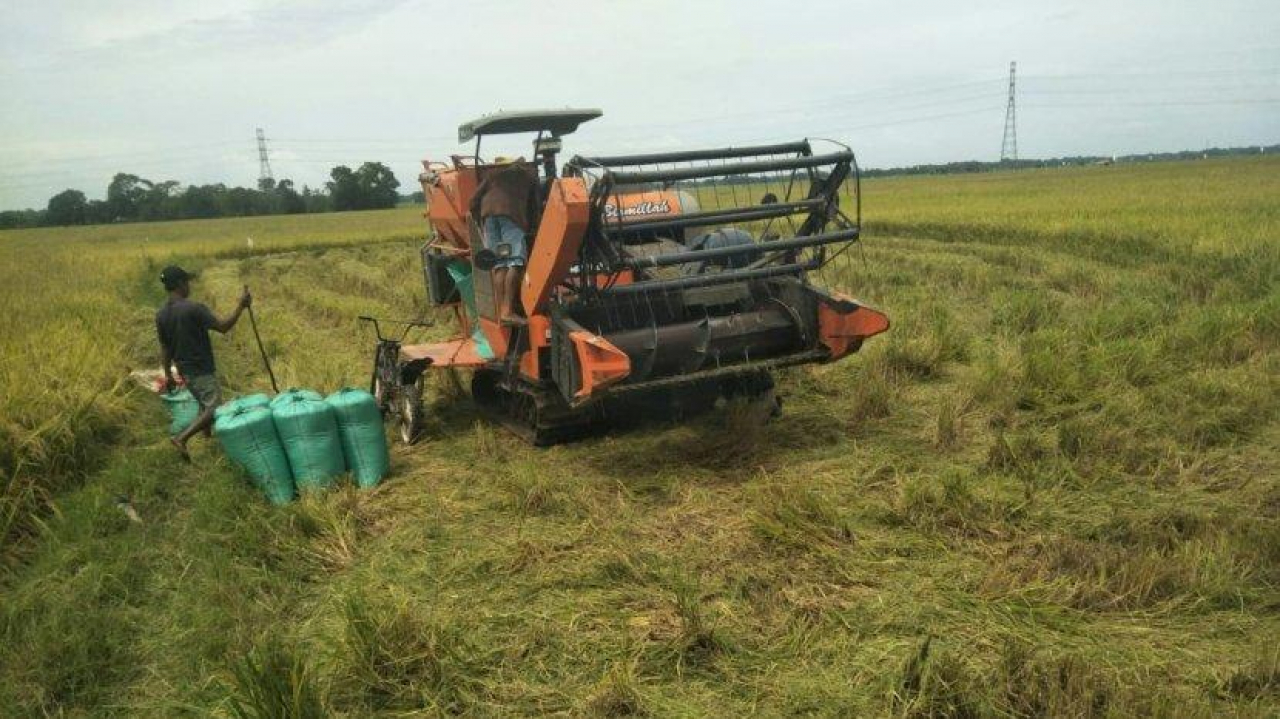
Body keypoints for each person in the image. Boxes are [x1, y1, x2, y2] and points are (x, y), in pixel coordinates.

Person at [155, 265, 251, 461]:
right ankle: (181, 439)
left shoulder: (161, 314)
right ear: (181, 284)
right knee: (214, 407)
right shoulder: (194, 308)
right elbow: (223, 327)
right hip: (200, 368)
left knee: (203, 402)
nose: (189, 286)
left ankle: (208, 440)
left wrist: (168, 375)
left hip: (184, 369)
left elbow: (165, 348)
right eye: (187, 282)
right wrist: (241, 306)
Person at [469, 156, 538, 324]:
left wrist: (480, 221)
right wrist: (532, 227)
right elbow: (535, 206)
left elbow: (473, 201)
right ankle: (509, 311)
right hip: (511, 217)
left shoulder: (493, 174)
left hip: (489, 218)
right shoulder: (529, 176)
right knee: (515, 262)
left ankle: (501, 311)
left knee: (500, 264)